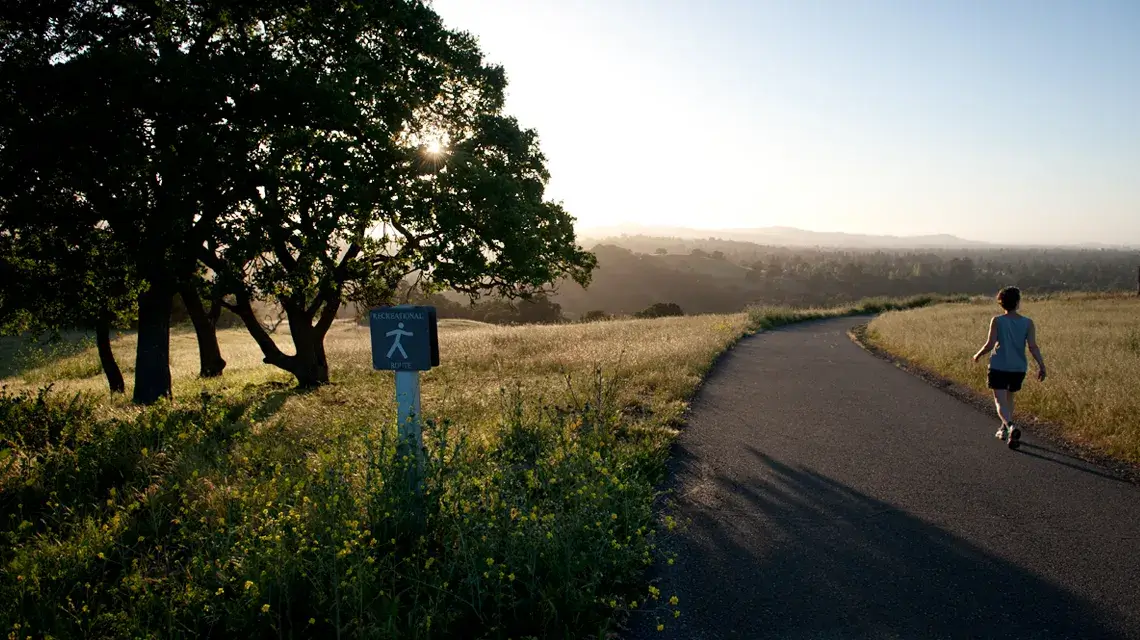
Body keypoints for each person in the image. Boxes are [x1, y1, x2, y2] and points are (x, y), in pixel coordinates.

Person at [972, 286, 1046, 448]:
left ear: (1002, 303)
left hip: (999, 365)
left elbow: (990, 344)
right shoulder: (1028, 323)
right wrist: (1041, 365)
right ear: (1017, 303)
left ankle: (1010, 426)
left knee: (999, 401)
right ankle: (1005, 430)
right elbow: (1033, 346)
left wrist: (977, 355)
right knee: (1010, 398)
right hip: (1018, 368)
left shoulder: (997, 321)